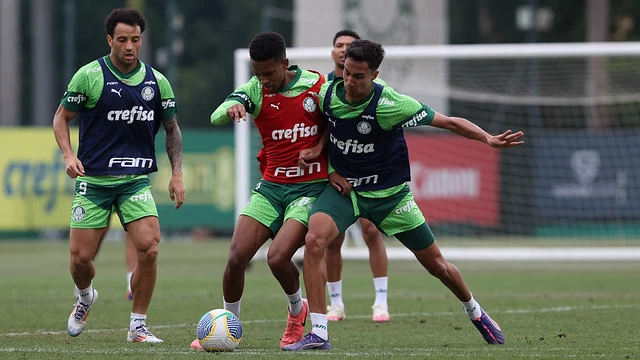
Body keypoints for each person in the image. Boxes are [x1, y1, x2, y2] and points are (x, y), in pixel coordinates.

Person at [283, 39, 524, 351]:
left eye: (359, 77)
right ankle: (318, 333)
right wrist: (322, 157)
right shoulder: (328, 92)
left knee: (438, 266)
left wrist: (487, 138)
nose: (350, 82)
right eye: (346, 73)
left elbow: (448, 122)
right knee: (314, 241)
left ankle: (475, 312)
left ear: (375, 74)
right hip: (347, 192)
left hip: (390, 196)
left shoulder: (391, 104)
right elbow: (328, 126)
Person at [189, 31, 331, 350]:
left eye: (269, 73)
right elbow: (217, 113)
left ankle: (297, 312)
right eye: (258, 74)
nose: (263, 80)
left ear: (285, 63)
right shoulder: (255, 89)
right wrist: (231, 108)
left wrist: (322, 151)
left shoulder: (317, 86)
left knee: (278, 258)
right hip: (270, 189)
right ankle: (228, 325)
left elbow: (337, 125)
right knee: (237, 257)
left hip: (307, 191)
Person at [52, 7, 185, 343]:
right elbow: (60, 118)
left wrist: (177, 173)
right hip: (93, 182)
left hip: (135, 181)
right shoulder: (90, 76)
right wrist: (68, 155)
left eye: (135, 40)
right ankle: (85, 297)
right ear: (110, 39)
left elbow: (171, 129)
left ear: (142, 41)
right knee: (80, 259)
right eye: (122, 39)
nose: (129, 46)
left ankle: (137, 325)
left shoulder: (157, 81)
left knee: (150, 248)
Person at [325, 29, 389, 323]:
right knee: (332, 239)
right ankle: (335, 304)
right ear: (333, 52)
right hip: (337, 175)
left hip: (369, 176)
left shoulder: (378, 90)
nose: (343, 50)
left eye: (348, 46)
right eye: (339, 45)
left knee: (372, 232)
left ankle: (381, 302)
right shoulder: (323, 88)